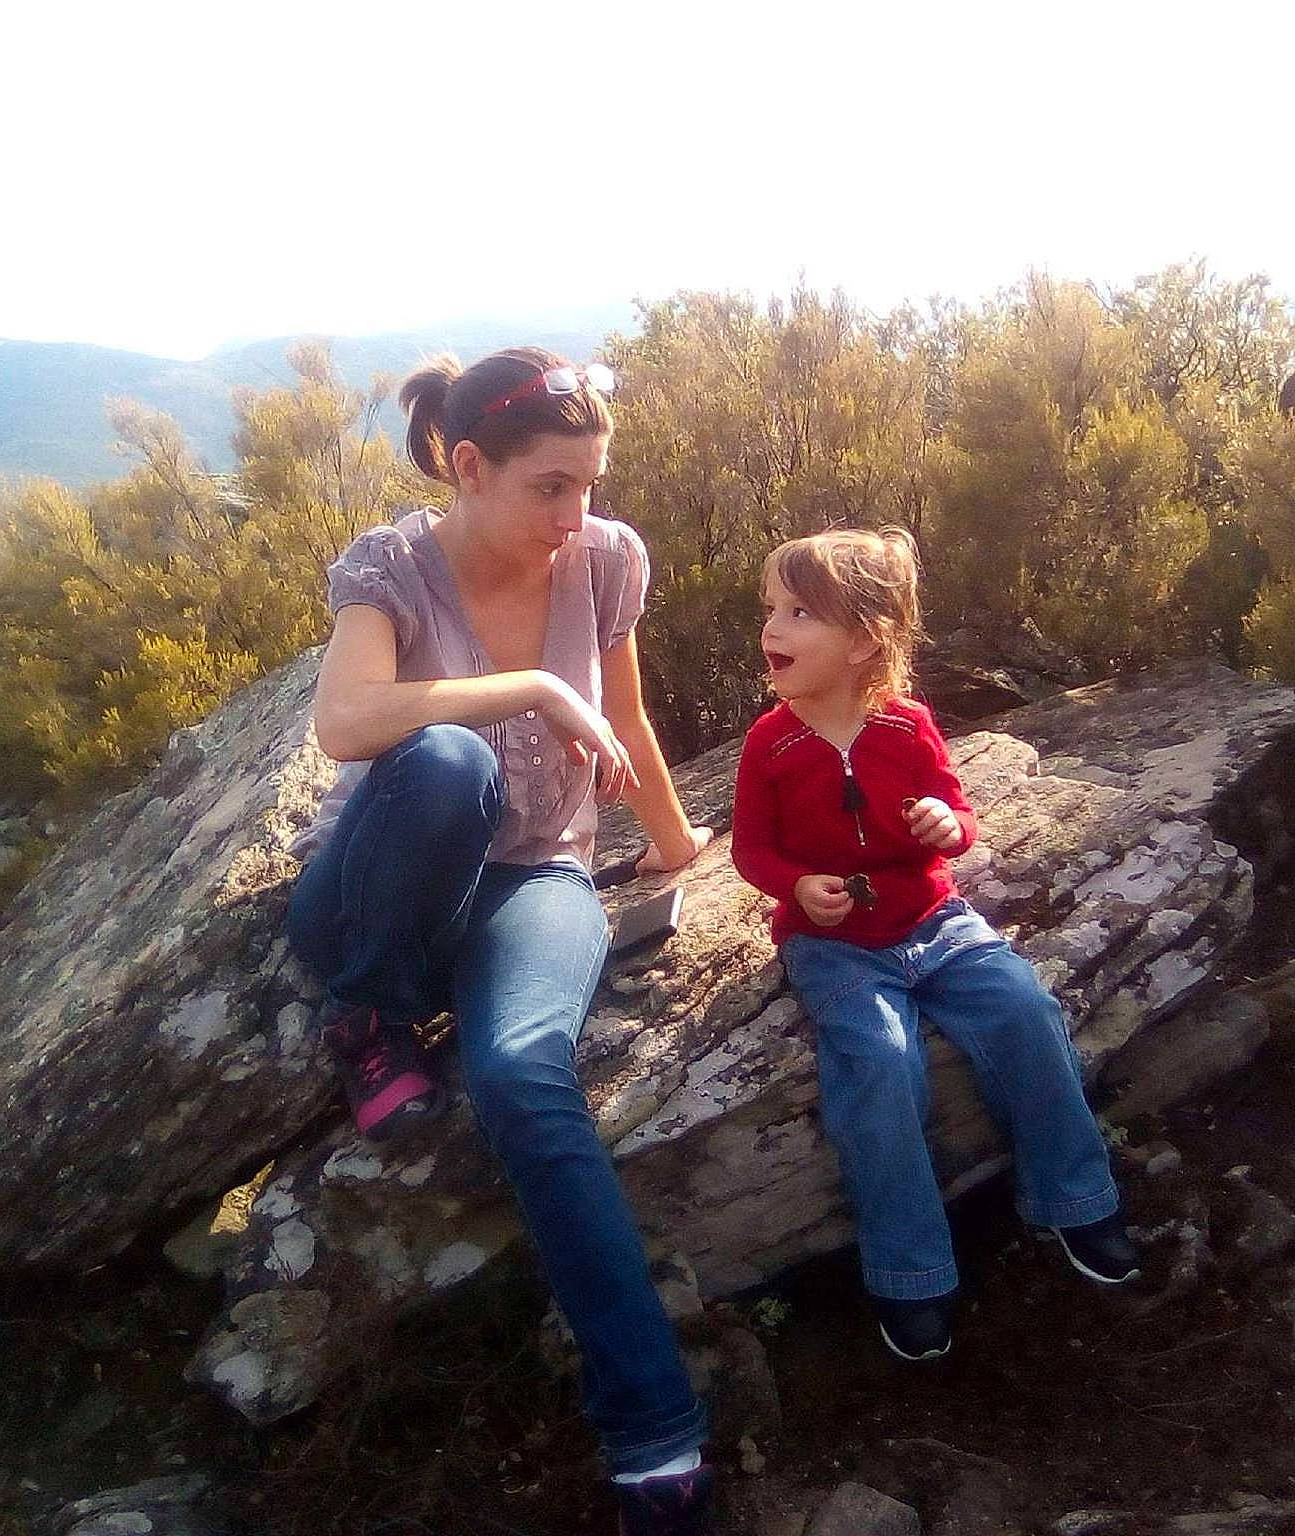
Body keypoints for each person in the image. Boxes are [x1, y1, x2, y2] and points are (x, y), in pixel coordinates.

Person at [285, 348, 715, 1533]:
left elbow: (623, 715)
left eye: (590, 483)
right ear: (468, 467)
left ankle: (656, 1445)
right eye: (548, 487)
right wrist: (528, 686)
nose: (575, 516)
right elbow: (345, 722)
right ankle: (369, 1018)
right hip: (382, 901)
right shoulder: (391, 567)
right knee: (442, 758)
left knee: (525, 1076)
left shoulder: (607, 558)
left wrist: (680, 852)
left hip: (539, 875)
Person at [730, 526, 1140, 1362]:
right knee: (878, 1064)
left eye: (800, 611)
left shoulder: (906, 725)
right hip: (833, 945)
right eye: (771, 608)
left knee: (1025, 1010)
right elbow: (752, 851)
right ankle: (911, 1274)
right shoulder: (769, 744)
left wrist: (944, 824)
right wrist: (798, 886)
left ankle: (1079, 1197)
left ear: (864, 641)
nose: (773, 627)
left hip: (934, 921)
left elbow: (957, 817)